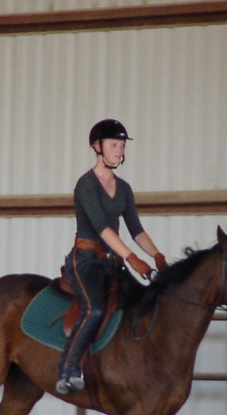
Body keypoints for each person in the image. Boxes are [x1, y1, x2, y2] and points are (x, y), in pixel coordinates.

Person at [56, 119, 169, 394]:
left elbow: (136, 230)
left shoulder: (124, 188)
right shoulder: (86, 185)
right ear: (97, 147)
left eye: (122, 145)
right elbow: (103, 229)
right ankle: (68, 369)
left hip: (111, 262)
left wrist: (157, 255)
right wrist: (132, 258)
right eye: (114, 145)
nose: (119, 150)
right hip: (86, 260)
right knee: (94, 309)